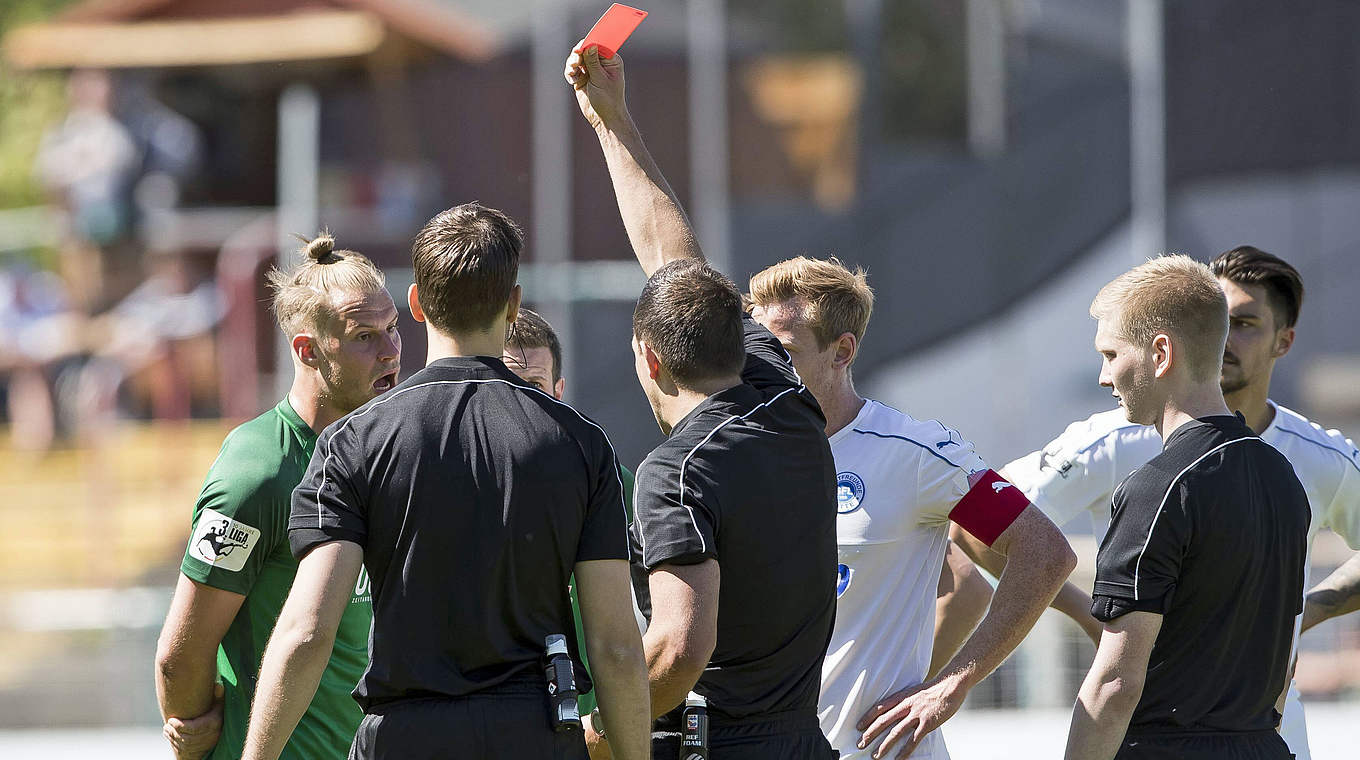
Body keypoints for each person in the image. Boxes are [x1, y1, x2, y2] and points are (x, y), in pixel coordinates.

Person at [240, 203, 649, 760]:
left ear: (415, 304)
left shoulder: (354, 442)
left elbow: (307, 632)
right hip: (535, 735)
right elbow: (617, 647)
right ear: (513, 304)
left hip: (407, 738)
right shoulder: (581, 443)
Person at [966, 246, 1360, 760]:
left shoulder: (1309, 457)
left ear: (1283, 341)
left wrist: (1304, 611)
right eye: (1221, 315)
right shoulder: (1121, 439)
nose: (1105, 377)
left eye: (1244, 323)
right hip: (1256, 737)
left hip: (1219, 730)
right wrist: (1094, 615)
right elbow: (976, 518)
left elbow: (1113, 687)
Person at [568, 45, 840, 760]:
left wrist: (598, 730)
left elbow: (680, 649)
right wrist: (611, 119)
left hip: (717, 745)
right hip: (803, 740)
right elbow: (673, 260)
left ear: (650, 360)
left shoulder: (677, 473)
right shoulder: (782, 390)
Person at [743, 256, 1077, 759]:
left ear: (842, 352)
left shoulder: (913, 454)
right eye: (758, 350)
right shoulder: (743, 454)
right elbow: (961, 585)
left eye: (784, 352)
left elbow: (1044, 553)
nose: (764, 368)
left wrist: (948, 686)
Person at [154, 234, 400, 760]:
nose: (390, 351)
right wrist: (197, 734)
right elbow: (180, 656)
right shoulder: (260, 471)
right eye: (363, 336)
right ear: (308, 351)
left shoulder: (383, 454)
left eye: (393, 328)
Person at [1064, 254, 1309, 760]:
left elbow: (1113, 686)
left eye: (1111, 354)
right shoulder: (1283, 476)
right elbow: (1283, 667)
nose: (1103, 377)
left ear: (1160, 353)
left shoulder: (1157, 488)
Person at [502, 307, 640, 717]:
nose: (524, 398)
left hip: (589, 721)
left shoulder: (611, 479)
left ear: (559, 390)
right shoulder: (460, 478)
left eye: (535, 385)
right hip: (499, 718)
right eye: (510, 384)